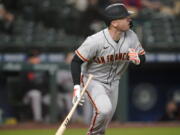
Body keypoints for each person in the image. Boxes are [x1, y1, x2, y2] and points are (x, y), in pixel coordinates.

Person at [70, 3, 146, 135]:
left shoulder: (131, 36)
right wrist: (77, 87)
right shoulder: (95, 41)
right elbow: (76, 61)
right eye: (125, 17)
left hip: (115, 82)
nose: (129, 19)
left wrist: (138, 59)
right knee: (104, 110)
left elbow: (142, 56)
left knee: (105, 120)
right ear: (115, 23)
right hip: (93, 80)